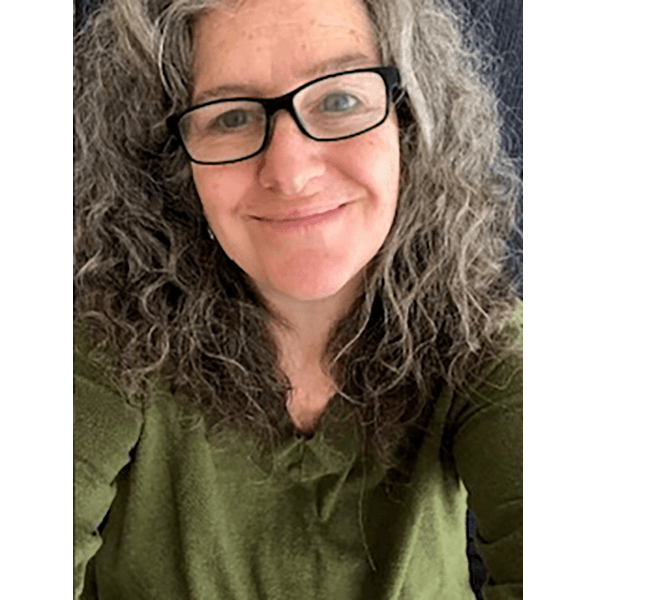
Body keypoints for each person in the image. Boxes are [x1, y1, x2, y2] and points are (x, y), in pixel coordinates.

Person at [73, 0, 522, 598]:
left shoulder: (481, 334)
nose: (290, 172)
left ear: (408, 122)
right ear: (171, 163)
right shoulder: (106, 331)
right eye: (231, 117)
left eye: (338, 101)